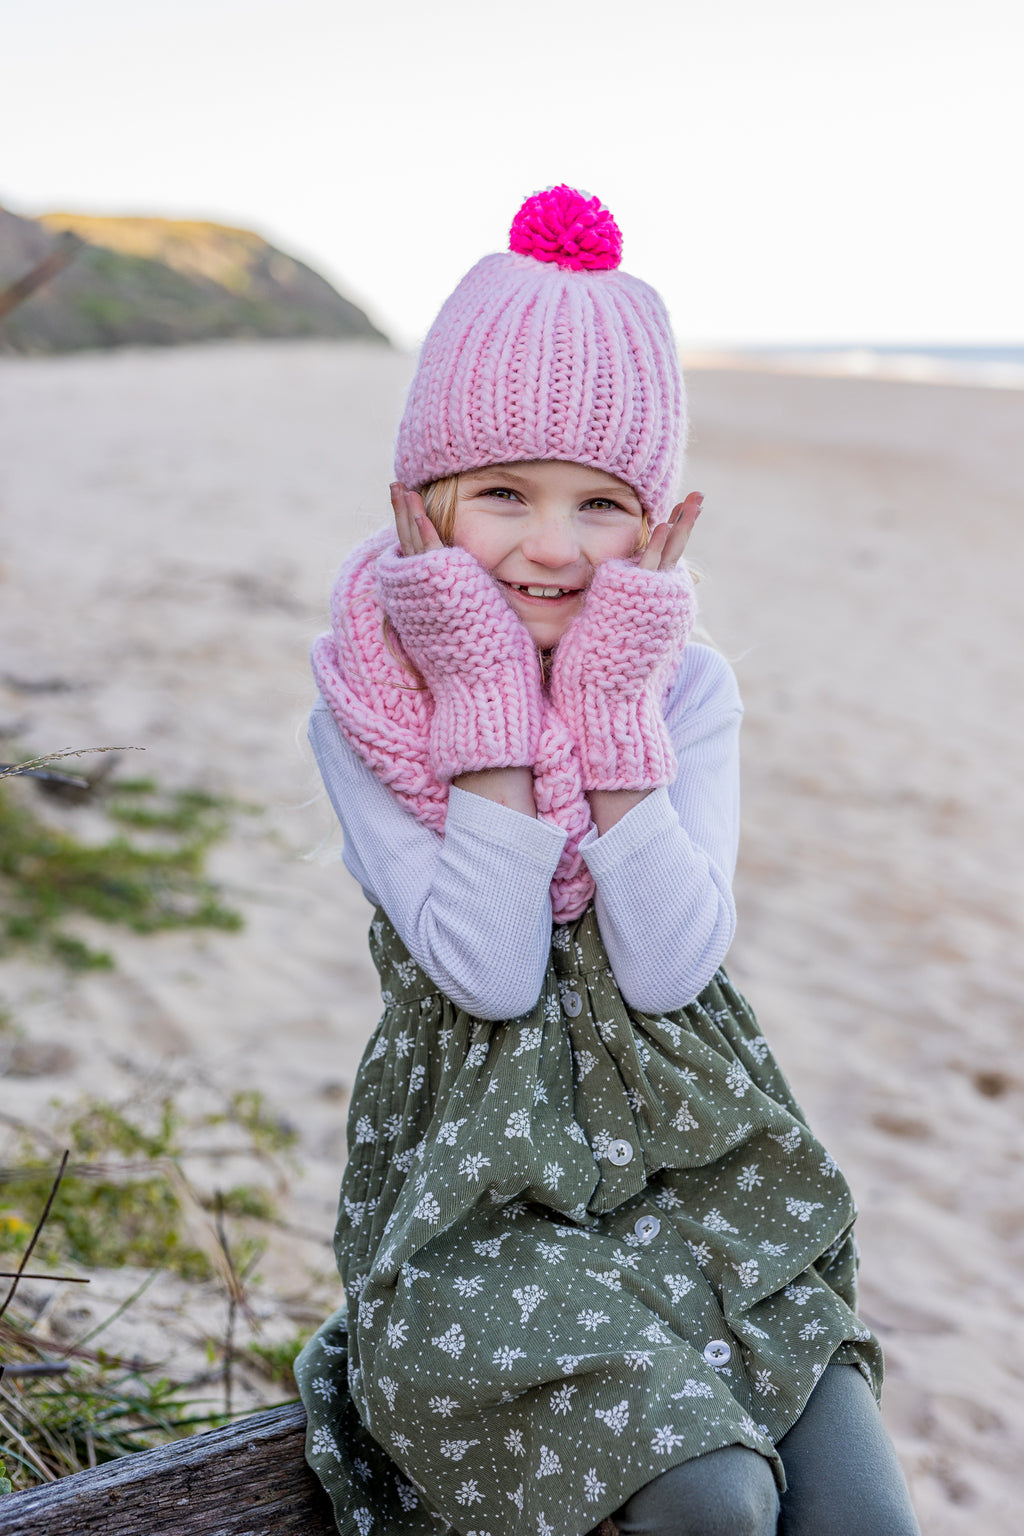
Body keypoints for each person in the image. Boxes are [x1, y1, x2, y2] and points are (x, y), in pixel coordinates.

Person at [295, 186, 920, 1536]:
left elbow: (672, 963)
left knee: (864, 1515)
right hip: (486, 1186)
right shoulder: (366, 705)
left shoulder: (685, 689)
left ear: (662, 521)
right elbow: (491, 973)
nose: (552, 546)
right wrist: (485, 698)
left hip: (700, 1157)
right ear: (421, 507)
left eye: (600, 504)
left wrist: (615, 706)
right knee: (712, 1503)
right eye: (502, 495)